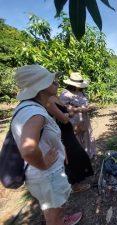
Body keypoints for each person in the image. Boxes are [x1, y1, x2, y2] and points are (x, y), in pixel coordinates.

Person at [11, 65, 82, 225]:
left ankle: (61, 220)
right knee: (54, 214)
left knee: (53, 209)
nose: (56, 82)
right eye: (51, 80)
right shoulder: (35, 113)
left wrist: (59, 147)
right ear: (41, 87)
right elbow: (28, 149)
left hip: (45, 176)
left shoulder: (32, 108)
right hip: (46, 176)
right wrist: (43, 164)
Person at [47, 95, 94, 193]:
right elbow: (63, 118)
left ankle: (76, 180)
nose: (56, 84)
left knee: (76, 155)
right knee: (71, 158)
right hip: (61, 133)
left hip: (68, 131)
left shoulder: (55, 97)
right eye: (53, 82)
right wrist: (69, 114)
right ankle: (74, 185)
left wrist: (73, 112)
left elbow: (66, 110)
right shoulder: (48, 100)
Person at [59, 72, 96, 159]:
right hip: (74, 121)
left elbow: (85, 102)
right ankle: (79, 158)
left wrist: (88, 107)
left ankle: (88, 155)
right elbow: (63, 108)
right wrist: (79, 109)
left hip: (84, 118)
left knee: (86, 136)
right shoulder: (65, 94)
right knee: (76, 138)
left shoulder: (80, 92)